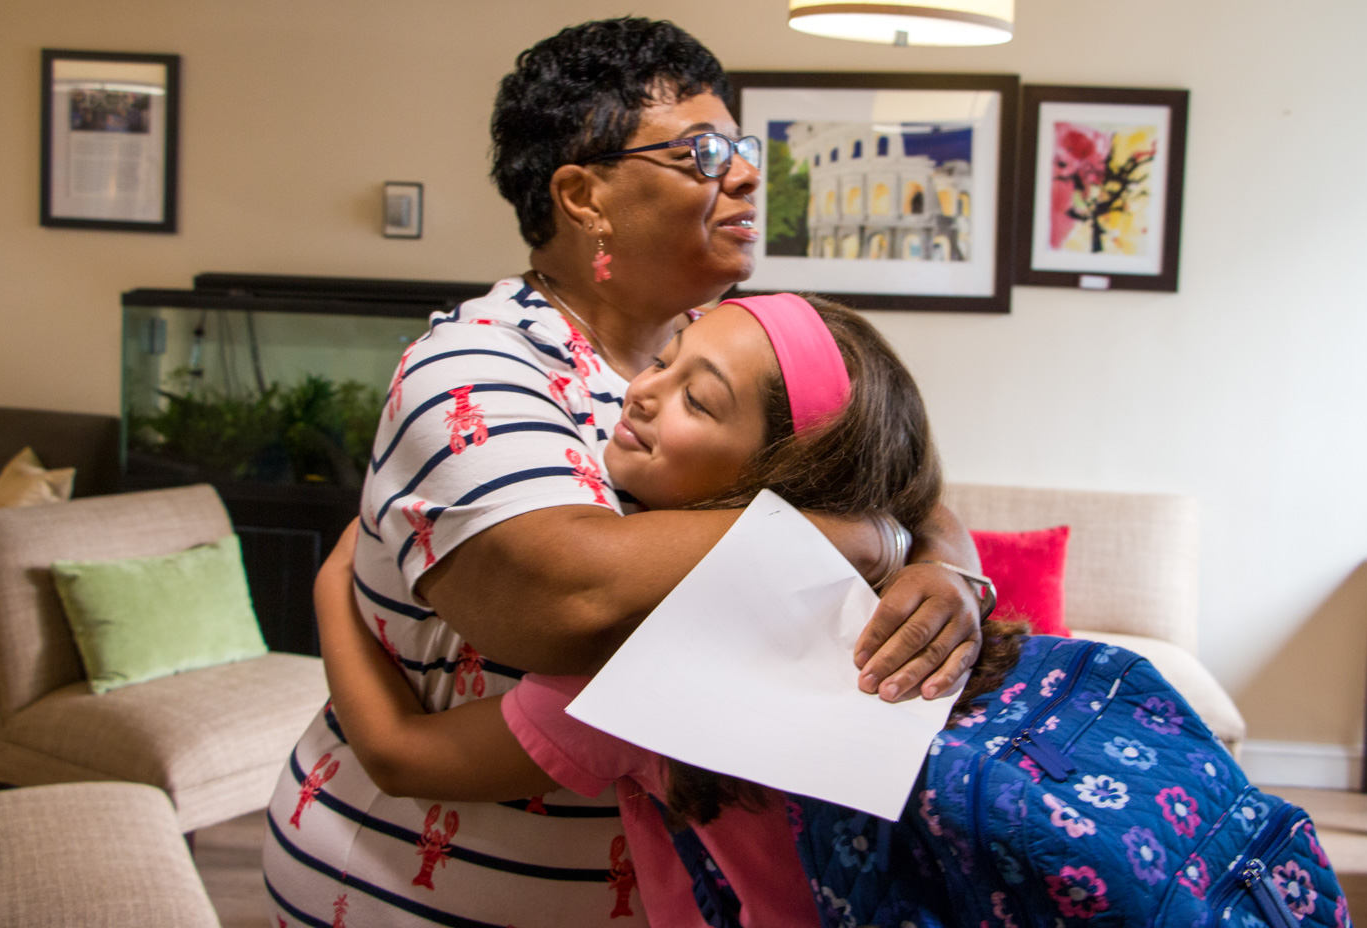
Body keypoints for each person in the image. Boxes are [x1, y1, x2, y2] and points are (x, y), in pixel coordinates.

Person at [261, 18, 987, 928]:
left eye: (741, 145)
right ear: (583, 196)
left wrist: (946, 565)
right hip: (398, 890)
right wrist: (848, 538)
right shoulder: (480, 365)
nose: (749, 173)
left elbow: (878, 473)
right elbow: (564, 597)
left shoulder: (715, 340)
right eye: (701, 151)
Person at [311, 294, 1029, 927]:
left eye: (700, 401)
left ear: (777, 478)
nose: (645, 392)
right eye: (662, 361)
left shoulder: (655, 654)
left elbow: (403, 756)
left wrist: (332, 586)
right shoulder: (887, 591)